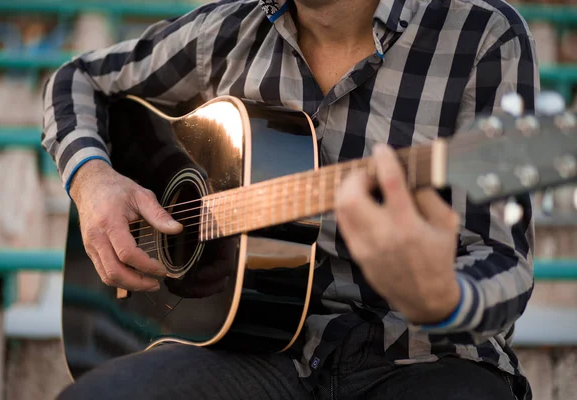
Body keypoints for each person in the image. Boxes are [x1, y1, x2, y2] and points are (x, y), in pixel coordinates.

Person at [42, 0, 538, 398]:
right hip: (250, 352)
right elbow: (76, 79)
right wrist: (92, 179)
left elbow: (503, 260)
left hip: (425, 358)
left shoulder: (482, 35)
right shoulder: (229, 29)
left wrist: (445, 299)